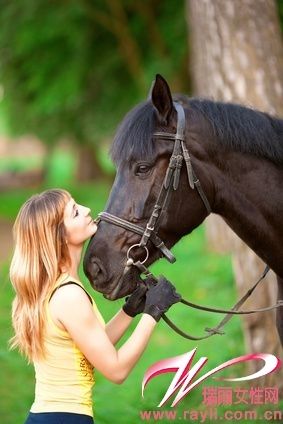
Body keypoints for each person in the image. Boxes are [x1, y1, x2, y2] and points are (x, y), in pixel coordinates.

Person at [9, 188, 181, 424]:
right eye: (75, 212)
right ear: (59, 236)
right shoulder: (69, 295)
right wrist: (153, 313)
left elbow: (93, 349)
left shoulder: (60, 286)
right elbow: (116, 370)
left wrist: (129, 310)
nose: (88, 210)